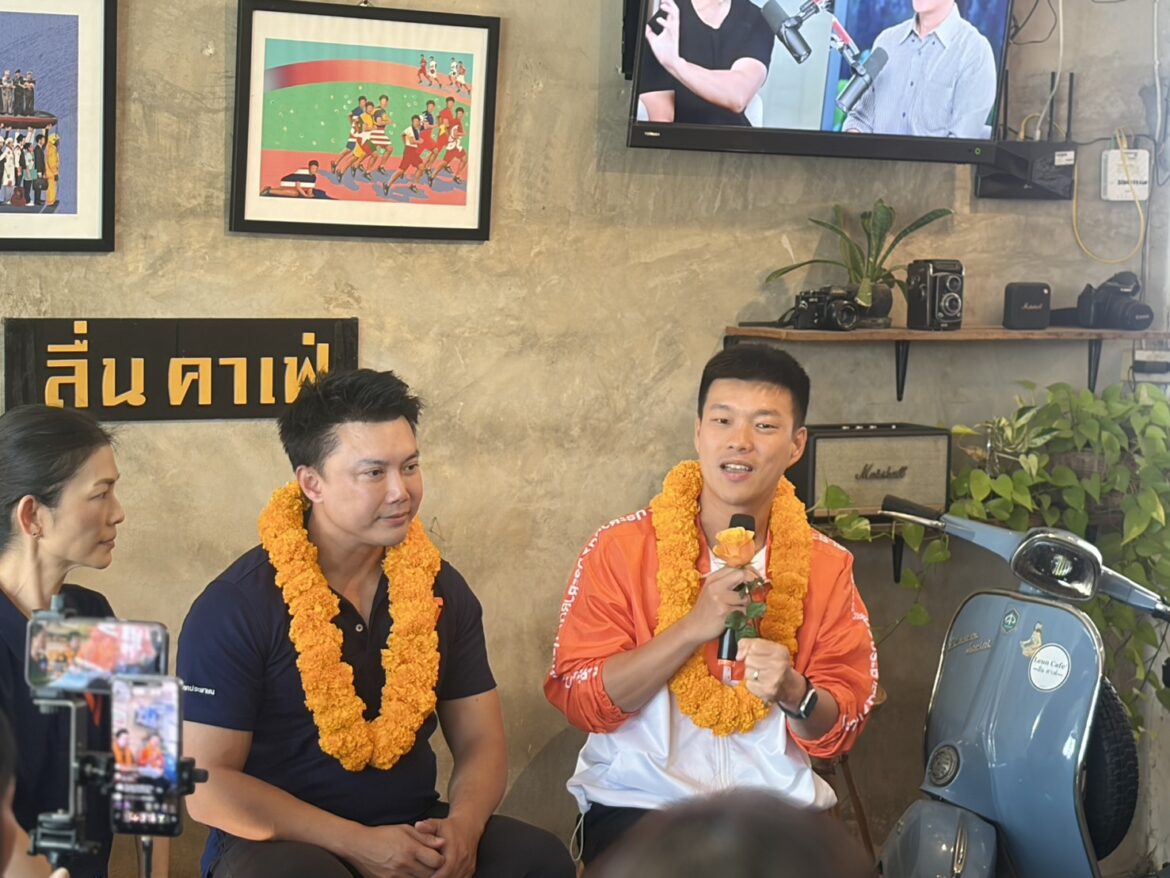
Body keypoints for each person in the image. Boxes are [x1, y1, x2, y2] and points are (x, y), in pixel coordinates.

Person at [178, 369, 575, 878]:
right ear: (311, 483)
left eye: (410, 467)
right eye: (373, 473)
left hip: (410, 828)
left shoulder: (439, 588)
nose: (400, 492)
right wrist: (359, 844)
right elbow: (207, 785)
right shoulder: (236, 605)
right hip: (284, 845)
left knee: (537, 859)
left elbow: (481, 741)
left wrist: (464, 826)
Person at [544, 345, 879, 866]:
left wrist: (795, 692)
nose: (740, 441)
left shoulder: (825, 565)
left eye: (764, 426)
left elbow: (840, 729)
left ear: (796, 445)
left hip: (778, 814)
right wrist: (691, 628)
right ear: (699, 432)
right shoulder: (620, 550)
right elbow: (580, 697)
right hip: (643, 805)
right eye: (723, 420)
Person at [0, 405, 168, 878]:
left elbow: (148, 779)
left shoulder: (94, 616)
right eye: (100, 494)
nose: (118, 513)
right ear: (33, 515)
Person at [590, 790, 874, 878]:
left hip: (777, 791)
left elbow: (833, 732)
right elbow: (588, 703)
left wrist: (796, 694)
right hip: (645, 793)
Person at [843, 0, 997, 139]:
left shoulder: (975, 52)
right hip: (871, 160)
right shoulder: (886, 41)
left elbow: (960, 145)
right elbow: (859, 119)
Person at [637, 0, 773, 125]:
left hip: (737, 140)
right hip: (683, 140)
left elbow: (738, 95)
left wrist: (676, 64)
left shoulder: (757, 19)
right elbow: (662, 122)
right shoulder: (663, 26)